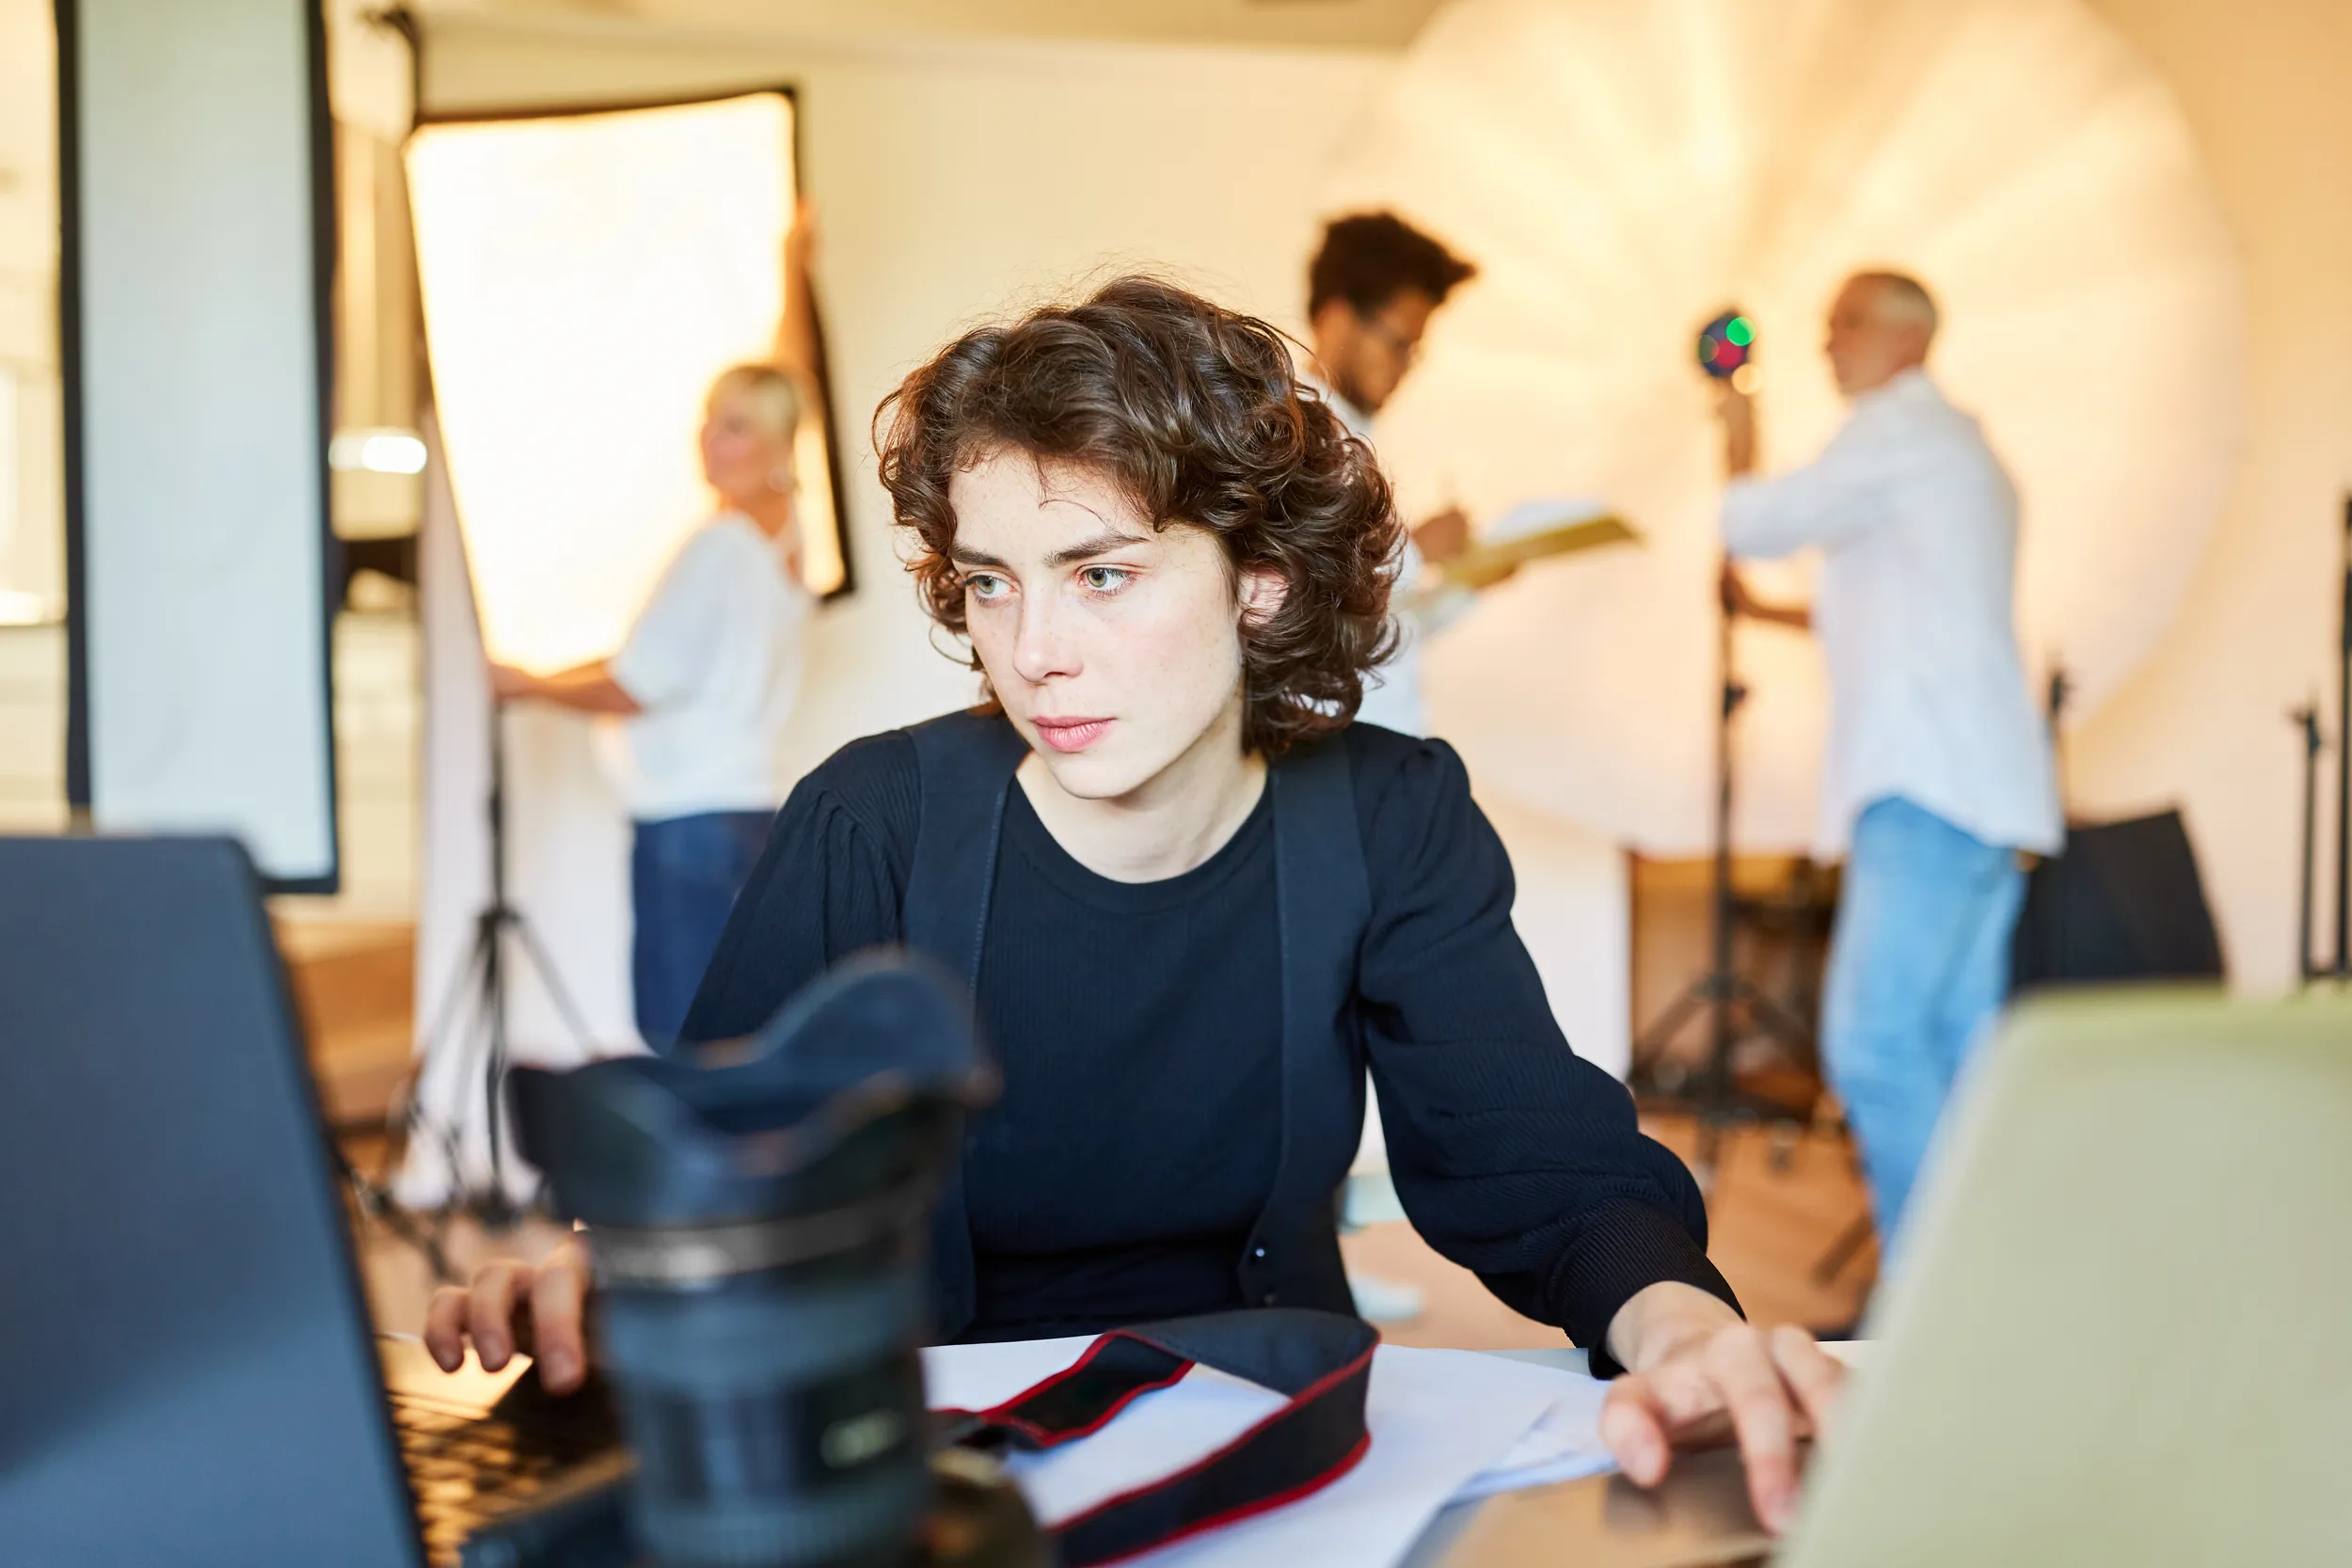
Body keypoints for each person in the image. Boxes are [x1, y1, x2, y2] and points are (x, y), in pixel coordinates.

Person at [432, 277, 1846, 1534]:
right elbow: (721, 1158)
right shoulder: (873, 818)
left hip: (1278, 1473)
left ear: (1259, 583)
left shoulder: (1387, 812)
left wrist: (1679, 1323)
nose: (1033, 653)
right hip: (934, 1489)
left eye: (1102, 575)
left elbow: (1539, 1160)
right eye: (992, 585)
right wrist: (601, 1270)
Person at [1716, 271, 2062, 1255]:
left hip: (1925, 787)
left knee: (1871, 1047)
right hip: (1983, 793)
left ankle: (1926, 1296)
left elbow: (1754, 520)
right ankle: (1985, 1291)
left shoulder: (1898, 428)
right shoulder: (1962, 450)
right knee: (1961, 1058)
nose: (1828, 341)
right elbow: (1890, 598)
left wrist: (1740, 423)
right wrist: (1770, 610)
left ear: (1911, 337)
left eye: (1848, 323)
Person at [490, 214, 824, 1050]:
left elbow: (632, 685)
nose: (711, 439)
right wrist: (794, 271)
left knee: (683, 1039)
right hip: (747, 812)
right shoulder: (787, 529)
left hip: (689, 827)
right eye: (710, 419)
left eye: (736, 424)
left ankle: (710, 1188)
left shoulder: (717, 548)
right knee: (741, 1032)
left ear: (777, 437)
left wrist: (521, 684)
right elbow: (797, 380)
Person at [1303, 212, 1486, 737]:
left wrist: (1466, 584)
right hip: (1330, 758)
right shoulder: (1288, 430)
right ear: (1337, 320)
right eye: (1400, 343)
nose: (1407, 367)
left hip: (1382, 750)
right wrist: (1418, 549)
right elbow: (1298, 610)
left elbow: (1378, 634)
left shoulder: (1355, 436)